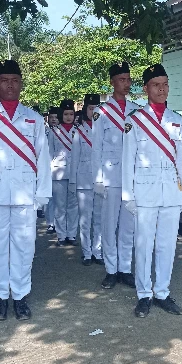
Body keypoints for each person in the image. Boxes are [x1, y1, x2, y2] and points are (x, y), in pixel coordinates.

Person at [0, 59, 51, 321]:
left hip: (25, 193)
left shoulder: (34, 119)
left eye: (14, 80)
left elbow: (43, 158)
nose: (9, 85)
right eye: (4, 80)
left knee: (24, 246)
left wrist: (42, 193)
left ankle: (20, 295)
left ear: (21, 84)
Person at [122, 64, 182, 318]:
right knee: (143, 244)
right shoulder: (135, 121)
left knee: (167, 246)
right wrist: (128, 196)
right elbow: (128, 160)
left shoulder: (177, 121)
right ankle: (144, 295)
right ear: (146, 88)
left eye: (165, 84)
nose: (162, 89)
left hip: (171, 192)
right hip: (145, 193)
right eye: (156, 85)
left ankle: (162, 292)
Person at [91, 62, 139, 290]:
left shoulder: (136, 110)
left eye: (129, 79)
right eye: (122, 79)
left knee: (128, 225)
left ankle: (125, 268)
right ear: (112, 82)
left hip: (131, 178)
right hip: (110, 176)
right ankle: (111, 269)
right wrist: (98, 178)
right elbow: (97, 147)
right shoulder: (101, 112)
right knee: (109, 225)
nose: (126, 84)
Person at [69, 94, 104, 266]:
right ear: (85, 110)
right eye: (90, 108)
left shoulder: (104, 129)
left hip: (100, 180)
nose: (93, 111)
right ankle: (86, 252)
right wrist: (72, 182)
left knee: (99, 218)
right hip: (83, 179)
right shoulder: (78, 131)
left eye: (96, 108)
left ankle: (98, 251)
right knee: (85, 219)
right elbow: (74, 158)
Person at [48, 100, 79, 246]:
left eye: (71, 114)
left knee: (73, 206)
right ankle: (61, 235)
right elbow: (49, 153)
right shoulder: (54, 132)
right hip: (58, 172)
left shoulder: (79, 131)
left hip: (75, 172)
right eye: (66, 114)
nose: (68, 117)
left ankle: (71, 235)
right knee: (60, 206)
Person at [44, 108, 59, 234]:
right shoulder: (44, 131)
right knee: (50, 198)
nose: (53, 119)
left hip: (58, 169)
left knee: (59, 199)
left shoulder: (62, 133)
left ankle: (59, 223)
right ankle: (50, 223)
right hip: (46, 167)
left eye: (55, 117)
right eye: (51, 117)